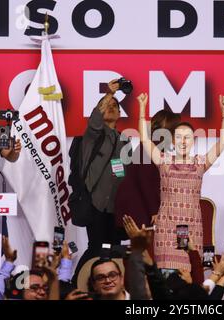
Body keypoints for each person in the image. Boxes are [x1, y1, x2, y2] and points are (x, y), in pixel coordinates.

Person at [138, 92, 224, 271]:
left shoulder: (200, 163)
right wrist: (142, 109)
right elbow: (144, 139)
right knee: (166, 276)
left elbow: (223, 142)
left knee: (190, 274)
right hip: (166, 227)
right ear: (172, 140)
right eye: (178, 137)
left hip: (191, 227)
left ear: (193, 140)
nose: (182, 141)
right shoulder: (164, 161)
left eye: (187, 137)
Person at [74, 80, 131, 279]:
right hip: (95, 202)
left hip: (116, 207)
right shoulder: (93, 135)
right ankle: (75, 283)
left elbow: (126, 174)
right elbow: (95, 119)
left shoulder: (125, 140)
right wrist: (109, 94)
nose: (111, 108)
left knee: (114, 250)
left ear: (120, 114)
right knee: (96, 248)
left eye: (115, 106)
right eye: (107, 105)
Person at [115, 110, 181, 233]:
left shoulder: (152, 147)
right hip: (139, 207)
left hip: (139, 205)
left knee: (143, 247)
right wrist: (154, 211)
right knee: (144, 248)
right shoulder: (150, 149)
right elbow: (146, 181)